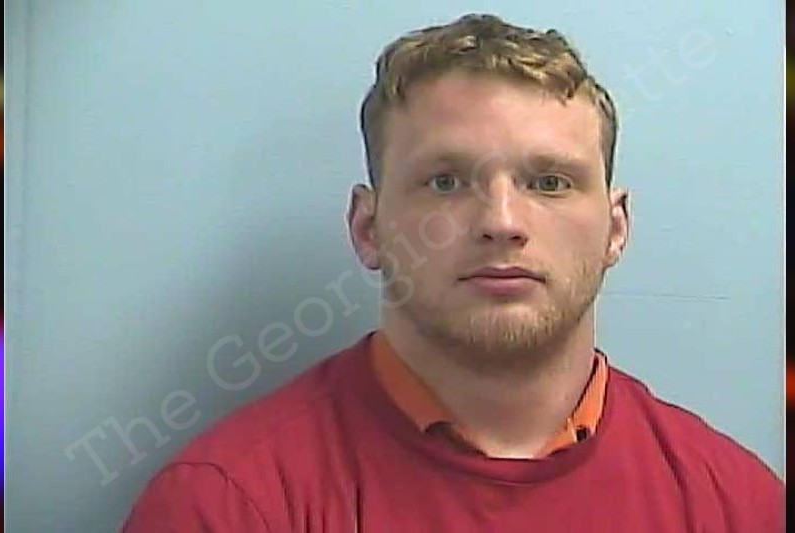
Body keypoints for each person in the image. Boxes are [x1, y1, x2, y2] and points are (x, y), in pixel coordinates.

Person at [122, 13, 784, 531]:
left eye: (549, 182)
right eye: (445, 181)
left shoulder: (739, 505)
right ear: (368, 227)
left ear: (615, 228)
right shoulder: (227, 505)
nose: (502, 222)